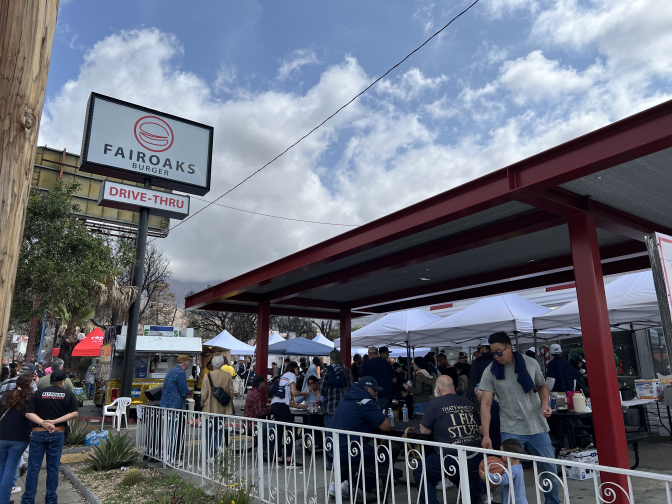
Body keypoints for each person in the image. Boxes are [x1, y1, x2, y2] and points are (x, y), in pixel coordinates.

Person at [479, 332, 558, 504]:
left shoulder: (530, 363)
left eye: (499, 351)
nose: (496, 356)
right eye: (492, 352)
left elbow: (542, 386)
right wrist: (486, 434)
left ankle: (553, 502)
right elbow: (485, 404)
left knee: (549, 468)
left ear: (510, 347)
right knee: (509, 472)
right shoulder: (490, 371)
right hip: (511, 427)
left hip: (537, 425)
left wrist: (545, 403)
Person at [413, 376, 483, 504]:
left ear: (438, 389)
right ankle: (475, 498)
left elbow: (424, 430)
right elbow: (480, 429)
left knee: (420, 470)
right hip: (476, 456)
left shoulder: (435, 402)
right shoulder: (468, 402)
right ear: (453, 388)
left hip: (451, 458)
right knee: (461, 473)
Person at [329, 377, 399, 499]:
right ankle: (354, 485)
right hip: (348, 450)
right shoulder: (365, 401)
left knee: (367, 450)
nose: (377, 393)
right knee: (384, 456)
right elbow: (387, 426)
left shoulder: (347, 398)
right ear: (366, 388)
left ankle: (340, 484)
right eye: (374, 390)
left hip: (332, 448)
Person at [22, 370, 79, 504]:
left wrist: (43, 423)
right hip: (57, 433)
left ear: (50, 380)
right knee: (53, 468)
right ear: (63, 382)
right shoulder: (69, 394)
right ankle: (51, 500)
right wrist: (53, 422)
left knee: (33, 468)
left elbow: (28, 414)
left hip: (37, 432)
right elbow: (74, 413)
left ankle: (28, 500)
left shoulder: (38, 393)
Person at [0, 374, 34, 501]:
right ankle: (3, 500)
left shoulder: (6, 396)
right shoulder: (30, 399)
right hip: (20, 438)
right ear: (30, 384)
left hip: (2, 435)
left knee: (1, 467)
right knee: (10, 468)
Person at [271, 362, 309, 466]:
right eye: (297, 370)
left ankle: (279, 458)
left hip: (274, 404)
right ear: (294, 368)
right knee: (292, 429)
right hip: (282, 406)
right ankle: (289, 459)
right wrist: (305, 393)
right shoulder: (291, 375)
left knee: (279, 431)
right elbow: (294, 392)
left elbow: (286, 400)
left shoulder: (283, 376)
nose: (298, 372)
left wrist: (299, 406)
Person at [466, 338, 501, 450]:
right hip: (500, 394)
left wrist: (468, 398)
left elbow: (472, 380)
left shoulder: (478, 361)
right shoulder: (499, 359)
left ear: (484, 348)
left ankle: (488, 447)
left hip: (482, 394)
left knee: (484, 421)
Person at [201, 356, 234, 457]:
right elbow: (231, 392)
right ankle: (218, 452)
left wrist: (202, 404)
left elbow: (204, 394)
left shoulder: (207, 376)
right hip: (223, 408)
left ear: (213, 364)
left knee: (209, 432)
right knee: (220, 431)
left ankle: (211, 455)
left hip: (209, 408)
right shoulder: (228, 376)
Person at [480, 439, 528, 504]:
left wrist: (488, 475)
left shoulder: (512, 469)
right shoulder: (518, 467)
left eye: (502, 452)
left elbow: (503, 480)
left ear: (508, 454)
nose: (501, 455)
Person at [319, 349, 354, 428]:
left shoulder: (328, 371)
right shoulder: (348, 371)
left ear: (331, 359)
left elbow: (322, 391)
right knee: (343, 436)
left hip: (330, 408)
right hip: (345, 409)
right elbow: (352, 390)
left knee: (332, 437)